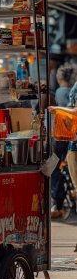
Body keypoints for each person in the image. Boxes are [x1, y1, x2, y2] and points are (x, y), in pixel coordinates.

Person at [50, 64, 77, 218]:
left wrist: (56, 109)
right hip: (71, 140)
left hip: (68, 140)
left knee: (55, 168)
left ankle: (57, 202)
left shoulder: (61, 91)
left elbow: (73, 112)